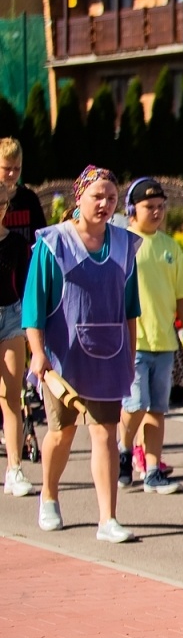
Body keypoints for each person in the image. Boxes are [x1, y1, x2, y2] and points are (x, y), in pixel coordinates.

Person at [25, 167, 141, 543]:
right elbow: (33, 307)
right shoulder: (53, 244)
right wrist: (38, 354)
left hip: (108, 355)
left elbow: (130, 310)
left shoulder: (124, 244)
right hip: (64, 358)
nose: (105, 204)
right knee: (62, 432)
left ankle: (107, 519)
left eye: (110, 197)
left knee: (106, 434)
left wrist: (130, 356)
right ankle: (49, 495)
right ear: (80, 198)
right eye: (97, 197)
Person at [118, 178, 183, 496]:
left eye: (161, 206)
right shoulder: (122, 243)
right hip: (134, 342)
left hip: (164, 342)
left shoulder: (170, 247)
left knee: (158, 409)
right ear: (133, 210)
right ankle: (123, 452)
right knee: (135, 404)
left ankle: (152, 469)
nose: (157, 212)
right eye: (150, 207)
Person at [0, 179, 31, 498]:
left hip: (11, 315)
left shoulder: (15, 245)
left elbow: (25, 287)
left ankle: (14, 468)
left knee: (11, 396)